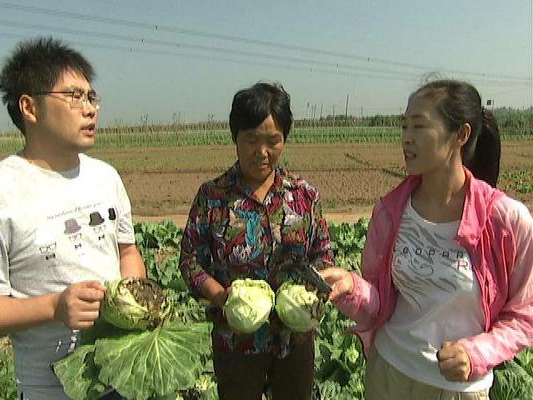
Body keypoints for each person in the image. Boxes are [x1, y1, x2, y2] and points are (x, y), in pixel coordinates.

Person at [0, 37, 146, 400]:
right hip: (51, 389)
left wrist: (132, 300)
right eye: (74, 96)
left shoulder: (106, 177)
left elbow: (128, 250)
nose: (90, 109)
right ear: (30, 107)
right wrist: (54, 306)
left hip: (124, 375)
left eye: (91, 97)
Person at [322, 79, 533, 399]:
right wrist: (351, 287)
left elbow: (523, 317)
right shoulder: (390, 211)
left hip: (458, 390)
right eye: (404, 126)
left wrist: (476, 354)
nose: (406, 138)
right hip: (389, 373)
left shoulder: (505, 220)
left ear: (461, 135)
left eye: (418, 126)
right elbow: (379, 303)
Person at [179, 82, 336, 400]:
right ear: (235, 137)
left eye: (272, 141)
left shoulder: (304, 195)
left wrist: (314, 290)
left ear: (285, 140)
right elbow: (189, 261)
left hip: (295, 340)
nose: (261, 152)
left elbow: (323, 251)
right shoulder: (213, 196)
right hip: (236, 341)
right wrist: (222, 298)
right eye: (250, 140)